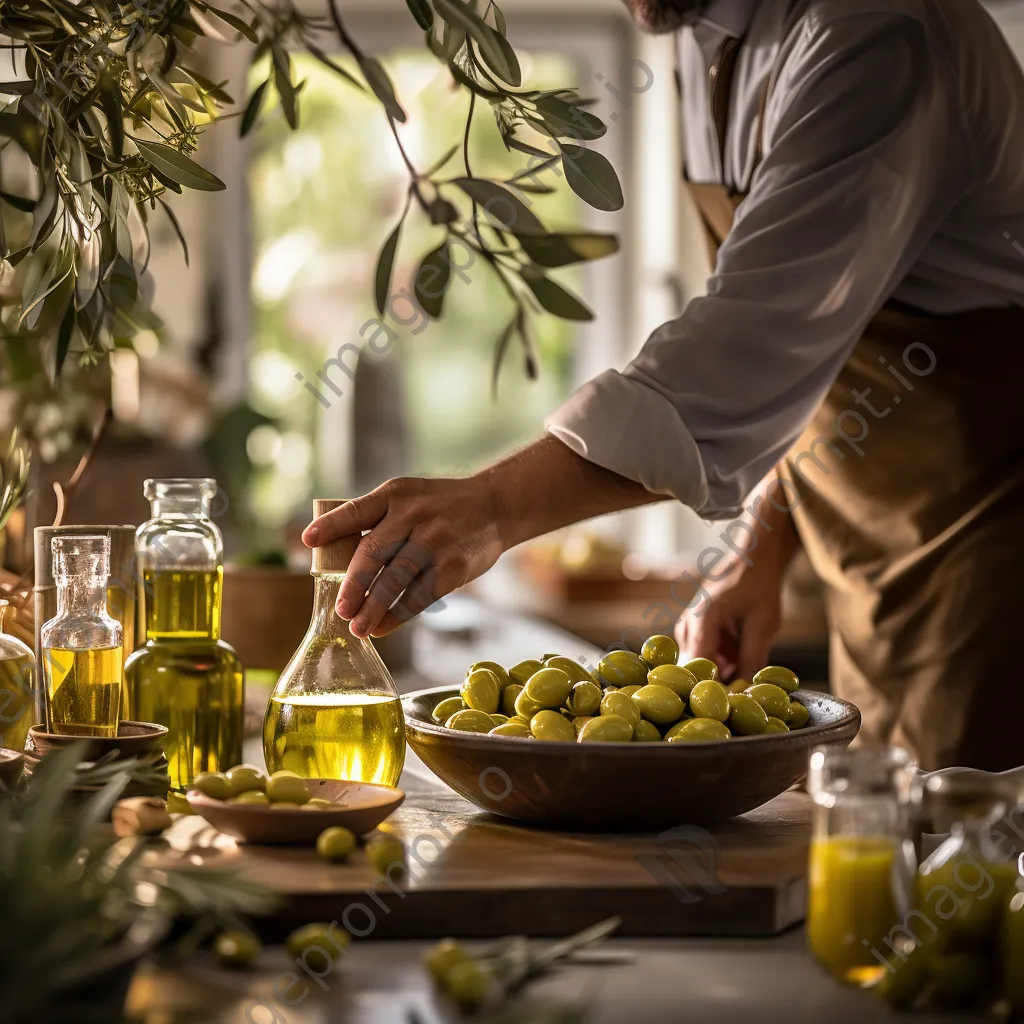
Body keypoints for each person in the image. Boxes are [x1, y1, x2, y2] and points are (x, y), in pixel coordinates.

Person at [304, 0, 1024, 773]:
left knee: (959, 859)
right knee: (877, 841)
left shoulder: (883, 34)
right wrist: (760, 551)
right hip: (862, 550)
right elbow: (812, 338)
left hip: (989, 554)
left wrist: (490, 508)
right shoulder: (697, 29)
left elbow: (747, 346)